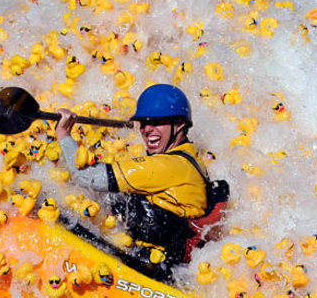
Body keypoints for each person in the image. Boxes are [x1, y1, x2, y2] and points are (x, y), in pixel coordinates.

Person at [55, 84, 217, 273]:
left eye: (157, 122)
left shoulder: (166, 166)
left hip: (157, 268)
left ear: (180, 125)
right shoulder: (190, 157)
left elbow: (85, 176)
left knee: (115, 199)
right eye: (144, 123)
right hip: (169, 261)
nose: (147, 130)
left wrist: (63, 133)